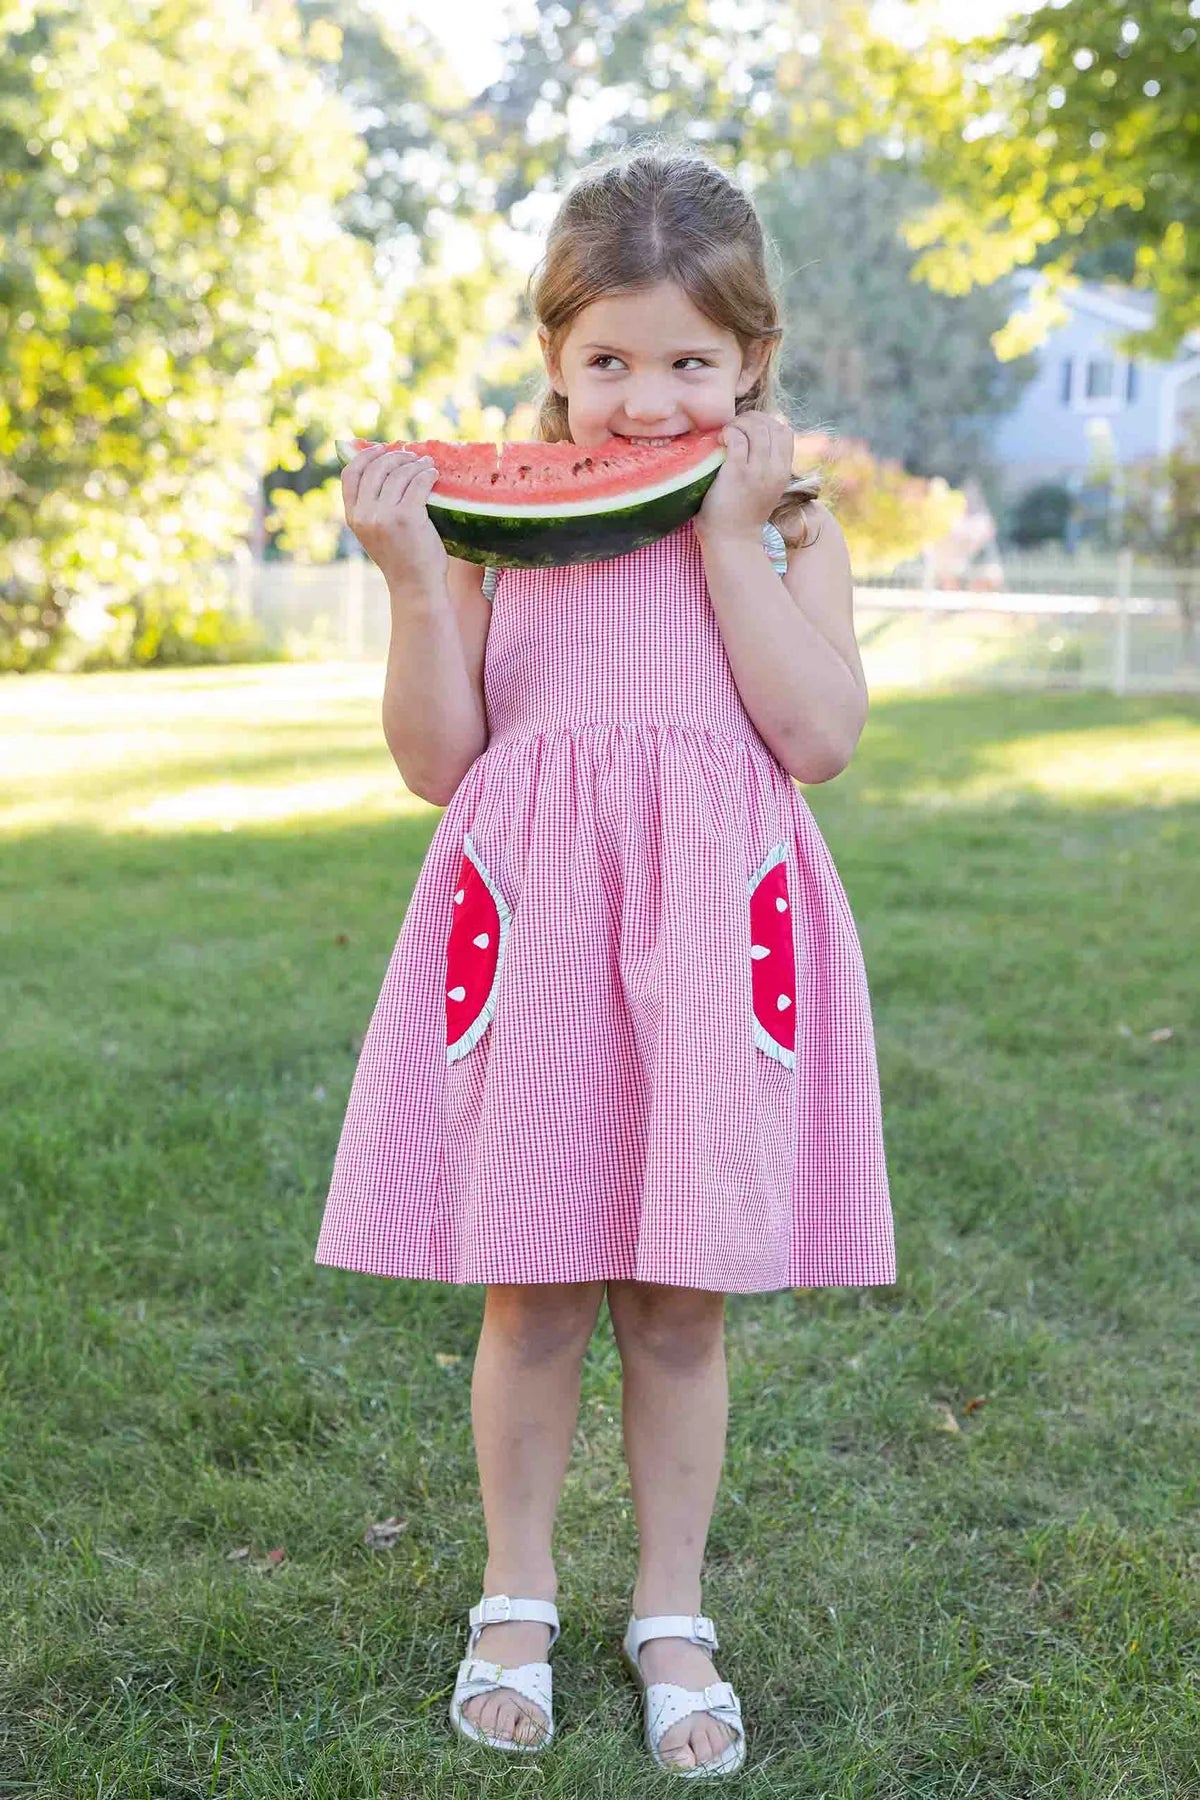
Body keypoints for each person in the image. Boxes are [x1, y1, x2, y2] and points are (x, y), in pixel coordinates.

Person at [314, 142, 896, 1779]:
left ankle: (670, 1609)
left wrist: (727, 544)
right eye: (608, 365)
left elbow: (820, 734)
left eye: (691, 364)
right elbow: (442, 762)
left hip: (718, 932)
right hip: (542, 921)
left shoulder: (791, 529)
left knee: (684, 1299)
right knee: (536, 1284)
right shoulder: (504, 531)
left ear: (755, 364)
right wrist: (421, 587)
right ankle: (515, 1595)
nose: (647, 406)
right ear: (554, 360)